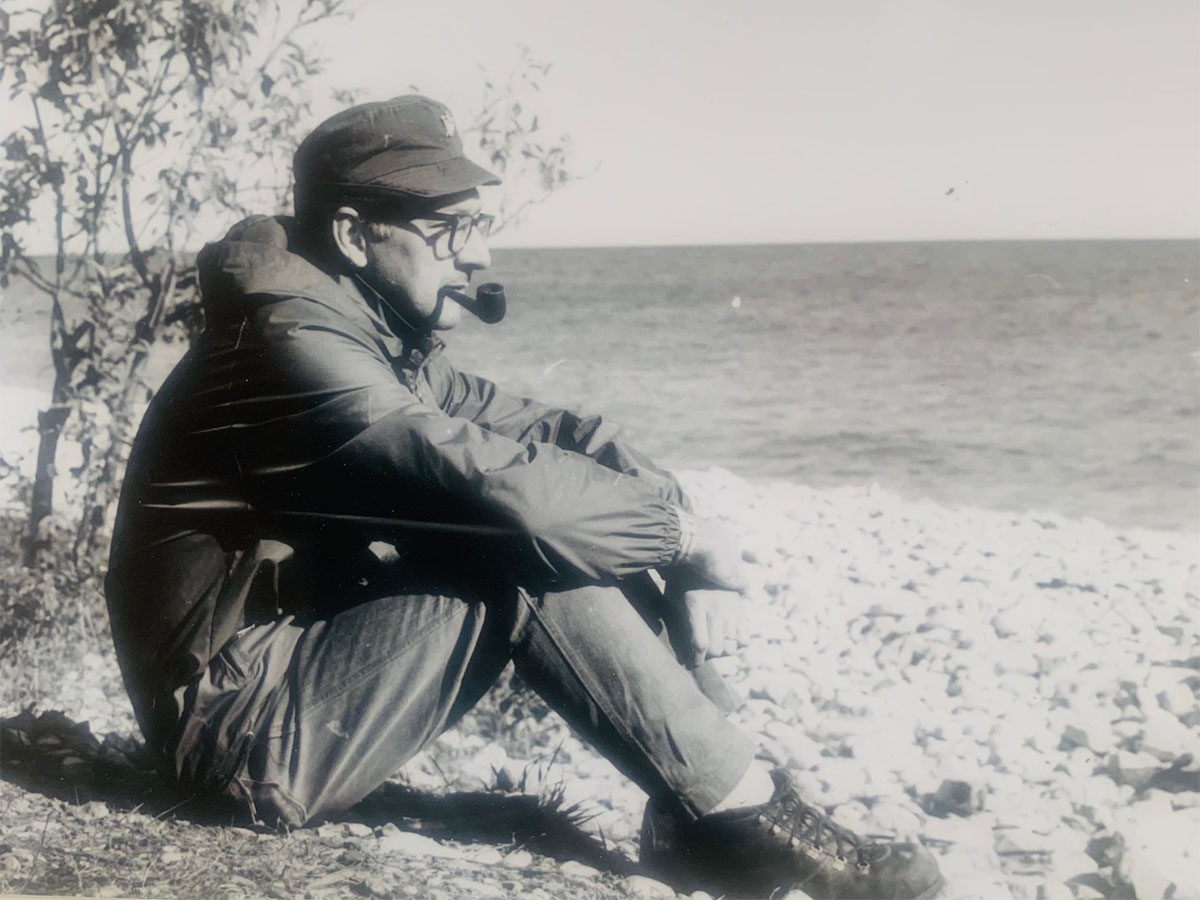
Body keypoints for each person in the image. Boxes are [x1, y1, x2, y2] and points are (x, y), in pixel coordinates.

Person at [105, 95, 944, 900]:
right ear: (356, 235)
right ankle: (738, 814)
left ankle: (716, 806)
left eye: (480, 227)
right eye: (451, 230)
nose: (480, 258)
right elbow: (515, 498)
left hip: (279, 685)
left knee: (560, 504)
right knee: (518, 535)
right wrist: (690, 543)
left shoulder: (359, 330)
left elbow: (557, 435)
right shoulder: (290, 350)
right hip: (231, 736)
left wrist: (683, 528)